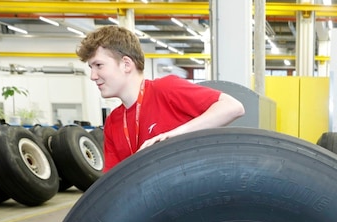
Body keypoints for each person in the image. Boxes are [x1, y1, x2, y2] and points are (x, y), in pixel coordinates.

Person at [76, 25, 245, 172]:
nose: (92, 76)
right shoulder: (113, 122)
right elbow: (113, 181)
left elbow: (232, 107)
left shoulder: (165, 89)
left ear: (126, 64)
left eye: (99, 65)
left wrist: (172, 136)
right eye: (91, 67)